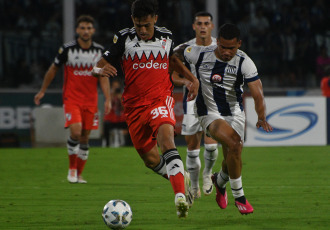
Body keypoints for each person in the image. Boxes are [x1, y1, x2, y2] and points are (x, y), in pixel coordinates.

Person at [92, 0, 199, 218]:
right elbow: (98, 65)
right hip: (133, 107)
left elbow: (172, 60)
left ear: (155, 20)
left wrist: (191, 79)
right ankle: (180, 176)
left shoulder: (166, 36)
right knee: (150, 159)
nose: (142, 30)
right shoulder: (123, 38)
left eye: (147, 25)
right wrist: (98, 71)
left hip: (160, 100)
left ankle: (180, 197)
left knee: (167, 140)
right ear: (133, 20)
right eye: (139, 25)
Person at [183, 23, 273, 215]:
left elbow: (257, 93)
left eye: (231, 48)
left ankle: (219, 181)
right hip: (208, 113)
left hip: (235, 114)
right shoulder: (199, 53)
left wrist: (261, 116)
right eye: (222, 46)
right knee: (234, 143)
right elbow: (173, 55)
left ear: (239, 44)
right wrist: (186, 80)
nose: (226, 52)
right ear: (217, 43)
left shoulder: (244, 62)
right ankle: (239, 197)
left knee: (233, 154)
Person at [34, 15, 111, 184]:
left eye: (88, 28)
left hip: (91, 100)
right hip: (72, 99)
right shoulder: (67, 50)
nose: (85, 31)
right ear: (77, 30)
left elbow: (104, 76)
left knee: (85, 137)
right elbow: (53, 69)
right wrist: (42, 91)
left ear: (93, 31)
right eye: (82, 28)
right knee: (75, 132)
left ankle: (79, 175)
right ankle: (72, 169)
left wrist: (107, 98)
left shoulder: (99, 51)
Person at [172, 11, 219, 199]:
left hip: (215, 103)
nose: (202, 27)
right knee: (192, 147)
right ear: (194, 26)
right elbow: (173, 75)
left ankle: (207, 174)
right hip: (191, 101)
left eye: (206, 23)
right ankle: (193, 184)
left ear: (212, 26)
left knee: (211, 146)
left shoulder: (221, 47)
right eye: (199, 23)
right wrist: (185, 82)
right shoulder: (184, 49)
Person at [103, 79, 129, 147]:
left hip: (121, 119)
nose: (116, 88)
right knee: (106, 125)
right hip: (112, 119)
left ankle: (128, 144)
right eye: (114, 86)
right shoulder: (109, 95)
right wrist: (112, 95)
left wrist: (120, 99)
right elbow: (108, 106)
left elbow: (125, 108)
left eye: (117, 86)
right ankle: (107, 144)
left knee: (131, 125)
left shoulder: (123, 95)